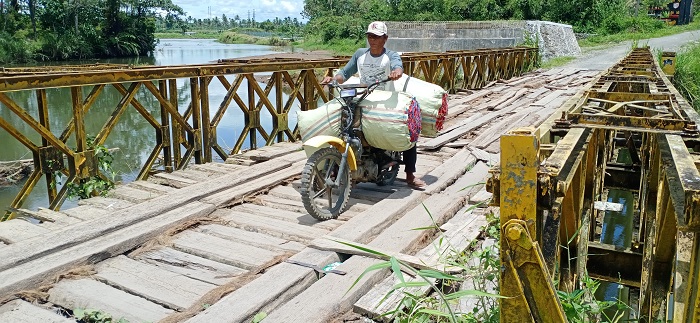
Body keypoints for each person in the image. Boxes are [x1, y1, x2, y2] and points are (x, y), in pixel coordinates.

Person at [323, 21, 426, 189]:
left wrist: (396, 72)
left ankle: (410, 175)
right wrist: (334, 79)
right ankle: (340, 167)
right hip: (365, 98)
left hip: (386, 101)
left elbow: (397, 66)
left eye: (377, 37)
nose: (372, 40)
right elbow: (345, 73)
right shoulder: (360, 54)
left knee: (407, 130)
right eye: (370, 36)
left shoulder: (390, 55)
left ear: (385, 39)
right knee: (344, 127)